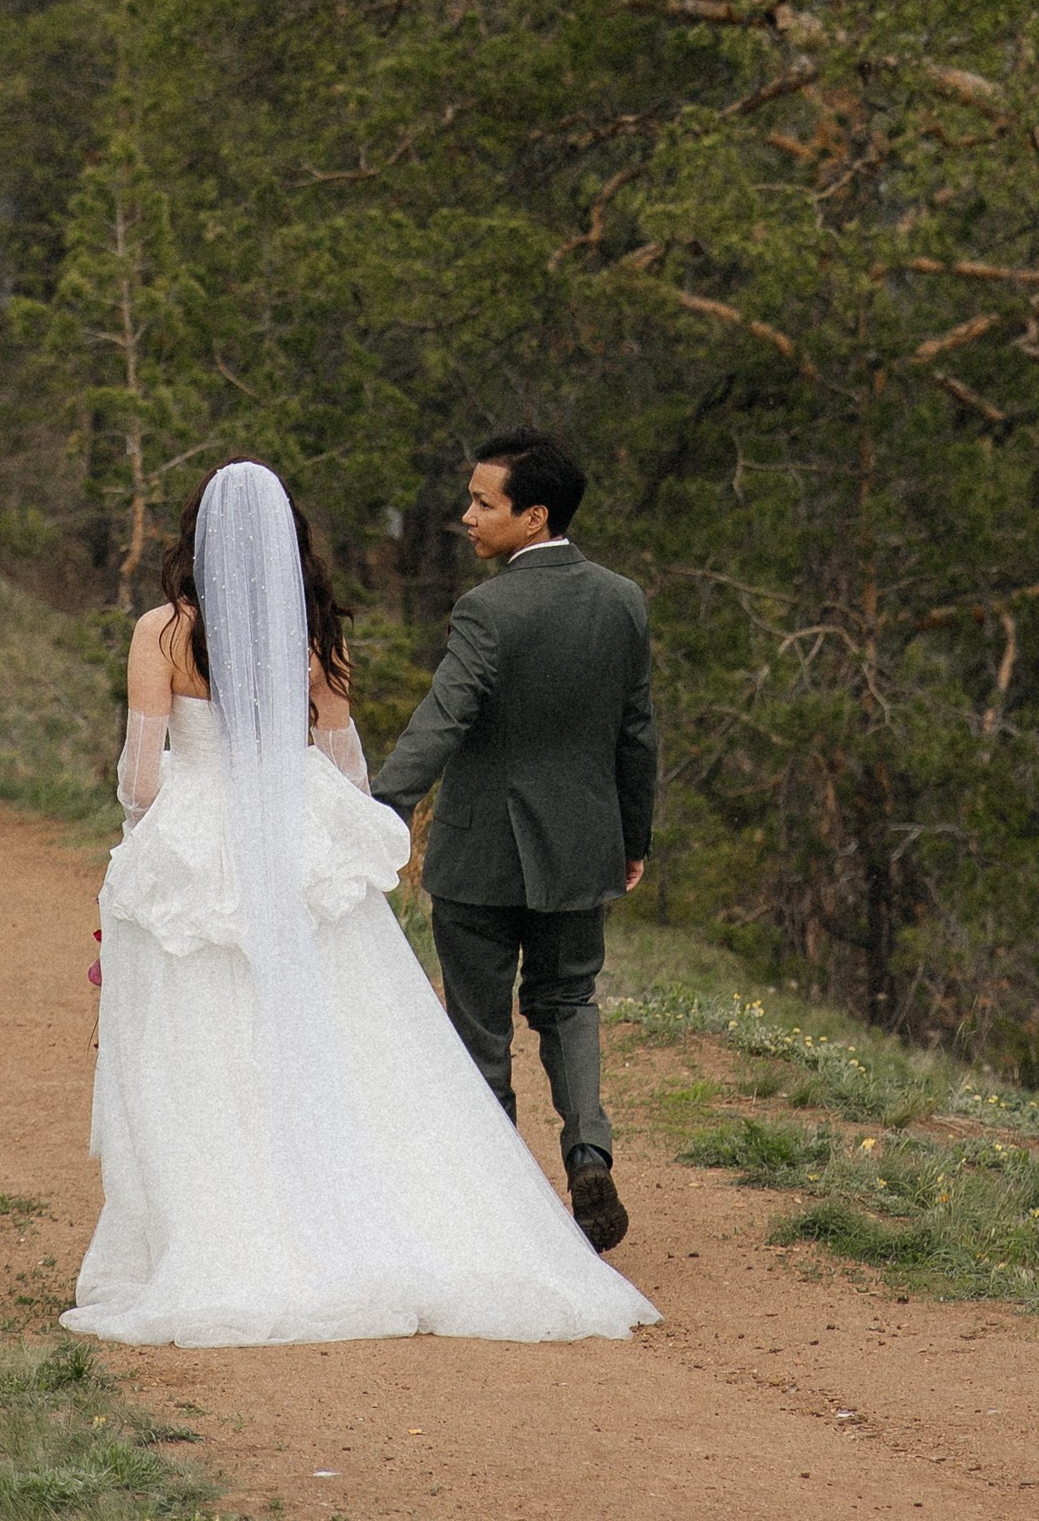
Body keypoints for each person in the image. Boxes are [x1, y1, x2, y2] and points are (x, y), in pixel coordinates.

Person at [65, 456, 656, 1348]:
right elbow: (346, 766)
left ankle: (222, 1224)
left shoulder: (163, 630)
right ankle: (412, 1200)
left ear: (197, 541)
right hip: (299, 832)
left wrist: (148, 840)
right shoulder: (312, 634)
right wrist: (344, 823)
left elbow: (142, 779)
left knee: (206, 1041)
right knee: (347, 1033)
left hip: (201, 837)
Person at [370, 433, 657, 1255]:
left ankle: (499, 1202)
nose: (466, 516)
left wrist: (381, 808)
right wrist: (631, 836)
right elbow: (636, 732)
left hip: (480, 853)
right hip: (583, 845)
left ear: (534, 517)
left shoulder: (487, 610)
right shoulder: (622, 600)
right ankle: (588, 1154)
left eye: (482, 502)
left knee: (479, 1026)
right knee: (568, 1003)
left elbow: (442, 720)